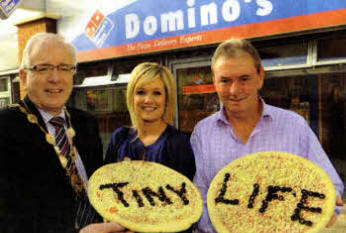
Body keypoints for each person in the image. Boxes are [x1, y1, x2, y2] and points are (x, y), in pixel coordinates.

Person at [190, 38, 344, 233]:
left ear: (260, 77)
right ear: (214, 82)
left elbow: (330, 185)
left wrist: (328, 208)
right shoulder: (202, 132)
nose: (235, 90)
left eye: (244, 79)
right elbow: (201, 197)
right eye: (225, 80)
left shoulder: (294, 125)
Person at [0, 32, 106, 233]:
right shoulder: (6, 128)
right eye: (43, 68)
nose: (55, 78)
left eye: (64, 68)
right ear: (24, 76)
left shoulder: (86, 123)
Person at [82, 62, 196, 233]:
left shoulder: (177, 143)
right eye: (141, 92)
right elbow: (105, 193)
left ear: (167, 98)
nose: (148, 100)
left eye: (157, 93)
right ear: (131, 96)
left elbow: (183, 208)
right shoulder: (120, 138)